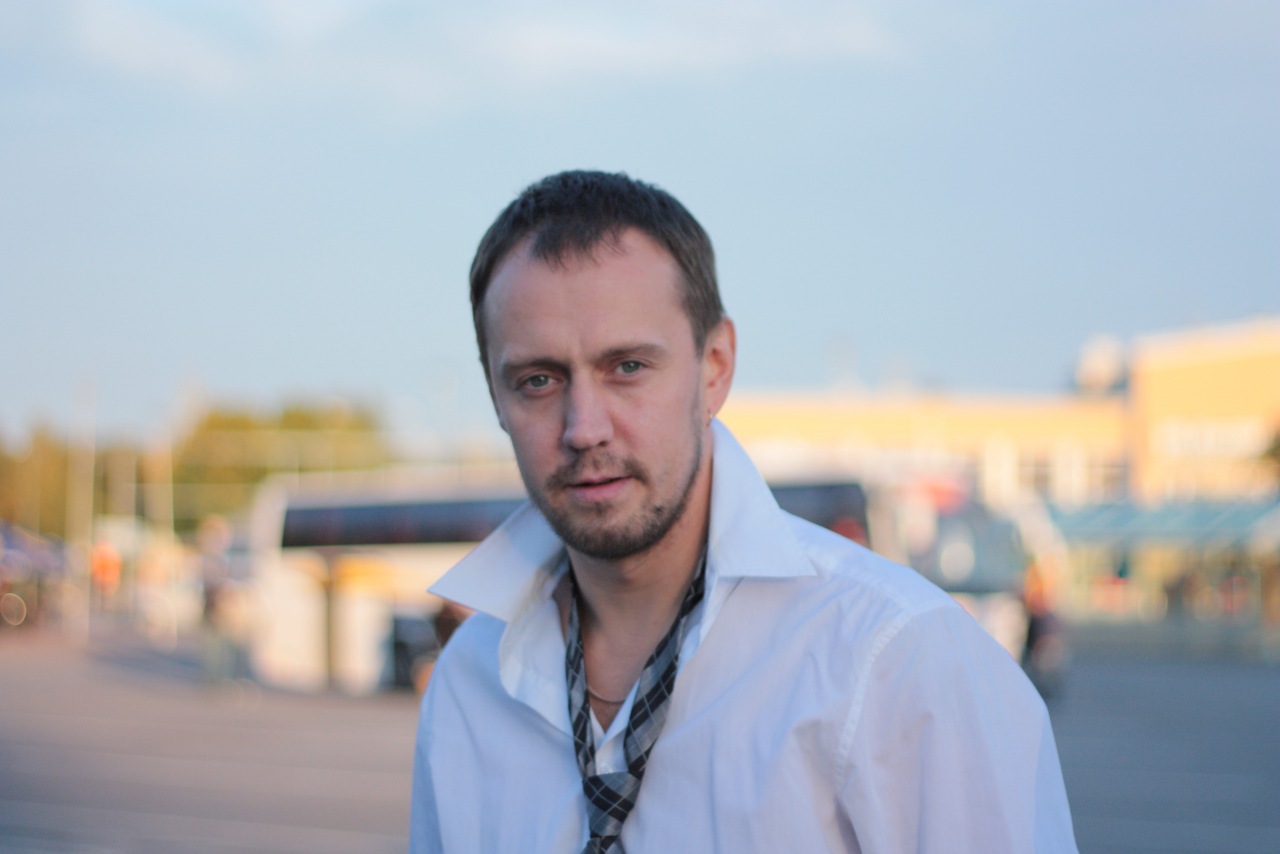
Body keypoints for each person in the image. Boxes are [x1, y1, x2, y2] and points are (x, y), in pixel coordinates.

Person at [410, 170, 1077, 853]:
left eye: (628, 367)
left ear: (715, 367)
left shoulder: (894, 660)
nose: (584, 428)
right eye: (538, 380)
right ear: (496, 397)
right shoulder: (469, 684)